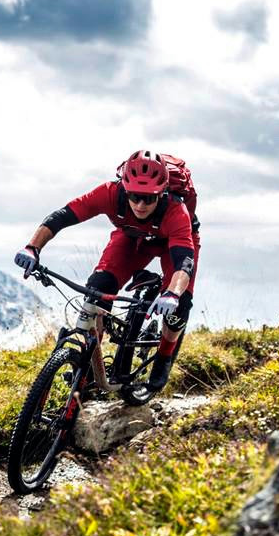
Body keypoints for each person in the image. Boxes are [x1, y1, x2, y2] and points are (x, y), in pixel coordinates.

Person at [14, 150, 199, 393]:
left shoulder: (176, 211)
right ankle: (90, 365)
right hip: (132, 236)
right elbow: (62, 216)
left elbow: (184, 262)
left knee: (180, 305)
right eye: (134, 196)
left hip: (173, 244)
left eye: (149, 198)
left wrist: (173, 293)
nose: (140, 205)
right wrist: (32, 248)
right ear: (124, 188)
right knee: (98, 289)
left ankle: (164, 359)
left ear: (162, 193)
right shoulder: (110, 193)